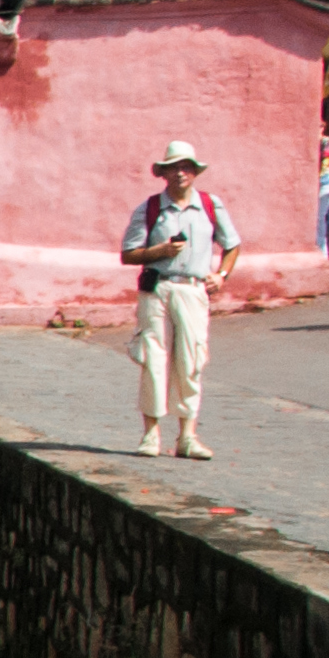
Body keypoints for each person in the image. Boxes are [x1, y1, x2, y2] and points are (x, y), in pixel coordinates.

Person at [117, 137, 240, 460]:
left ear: (195, 172)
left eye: (186, 167)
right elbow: (128, 253)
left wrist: (221, 275)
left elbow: (232, 244)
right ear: (164, 173)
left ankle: (187, 436)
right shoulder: (151, 208)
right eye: (174, 168)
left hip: (193, 289)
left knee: (191, 360)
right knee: (153, 359)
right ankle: (151, 433)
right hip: (158, 288)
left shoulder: (210, 206)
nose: (180, 173)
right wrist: (160, 251)